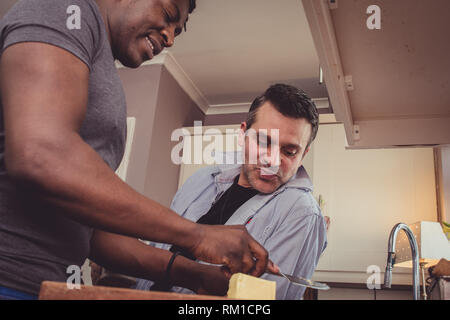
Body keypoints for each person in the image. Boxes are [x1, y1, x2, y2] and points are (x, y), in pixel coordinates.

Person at [0, 0, 277, 300]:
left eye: (177, 31)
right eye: (169, 16)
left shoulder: (97, 60)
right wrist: (196, 235)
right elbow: (41, 155)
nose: (170, 38)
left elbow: (93, 231)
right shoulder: (65, 9)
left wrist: (192, 273)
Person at [136, 84, 328, 299]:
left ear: (303, 155)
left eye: (289, 151)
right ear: (243, 134)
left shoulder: (302, 214)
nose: (272, 161)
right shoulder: (201, 178)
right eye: (264, 142)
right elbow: (158, 247)